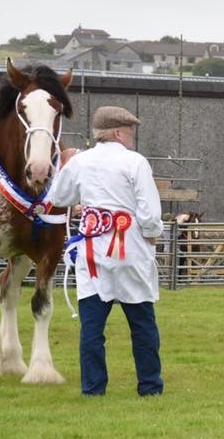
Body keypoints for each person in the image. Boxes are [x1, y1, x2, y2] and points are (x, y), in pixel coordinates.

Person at [50, 106, 165, 396]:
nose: (132, 136)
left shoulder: (80, 161)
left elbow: (59, 196)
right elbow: (150, 213)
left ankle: (93, 388)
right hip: (131, 250)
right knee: (142, 323)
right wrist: (152, 234)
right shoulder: (135, 162)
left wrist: (68, 169)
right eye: (129, 131)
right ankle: (150, 386)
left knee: (92, 327)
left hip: (93, 253)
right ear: (117, 132)